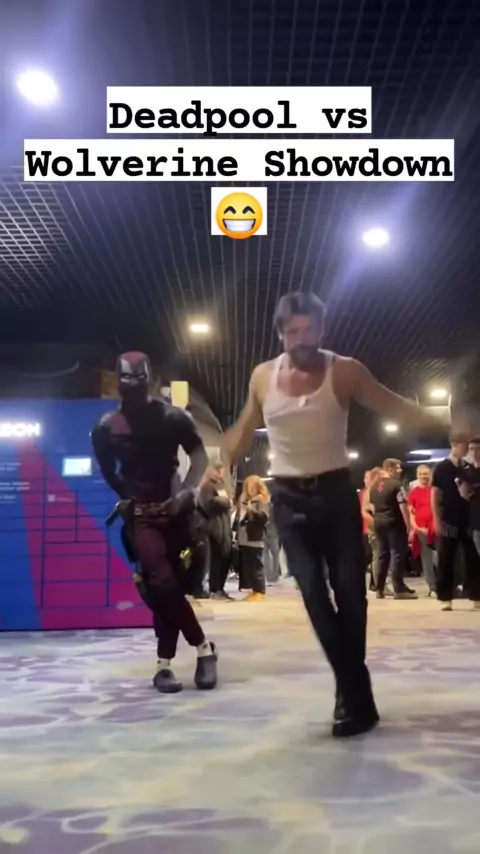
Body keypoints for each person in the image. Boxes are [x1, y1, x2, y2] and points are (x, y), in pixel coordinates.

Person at [221, 291, 448, 738]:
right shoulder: (263, 376)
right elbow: (245, 427)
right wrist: (220, 458)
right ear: (281, 334)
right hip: (289, 498)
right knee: (311, 590)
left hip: (336, 493)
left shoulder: (344, 370)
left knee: (351, 593)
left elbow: (396, 406)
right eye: (293, 331)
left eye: (310, 329)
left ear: (322, 330)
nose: (302, 339)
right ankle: (355, 688)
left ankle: (349, 695)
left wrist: (451, 425)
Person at [91, 351, 218, 694]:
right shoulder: (106, 428)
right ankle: (203, 648)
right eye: (126, 378)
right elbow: (109, 471)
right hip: (142, 516)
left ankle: (164, 665)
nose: (133, 384)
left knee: (172, 587)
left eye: (140, 377)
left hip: (176, 510)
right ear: (117, 381)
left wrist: (188, 490)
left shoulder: (173, 417)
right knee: (161, 583)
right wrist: (127, 497)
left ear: (150, 379)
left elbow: (198, 453)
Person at [432, 434, 480, 611]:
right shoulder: (442, 467)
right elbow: (435, 494)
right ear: (454, 445)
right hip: (448, 518)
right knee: (446, 558)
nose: (466, 450)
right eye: (464, 446)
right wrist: (436, 519)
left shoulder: (467, 467)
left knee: (473, 558)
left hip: (467, 518)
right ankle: (445, 597)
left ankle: (476, 595)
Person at [369, 459, 417, 600]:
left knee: (383, 554)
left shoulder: (374, 486)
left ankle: (379, 588)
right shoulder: (396, 485)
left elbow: (372, 507)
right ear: (390, 469)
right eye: (398, 468)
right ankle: (399, 589)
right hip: (394, 522)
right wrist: (408, 525)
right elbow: (403, 506)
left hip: (379, 522)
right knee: (397, 554)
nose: (400, 471)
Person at [198, 463, 234, 601]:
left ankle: (219, 588)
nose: (219, 473)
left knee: (224, 558)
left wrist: (226, 502)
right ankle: (214, 589)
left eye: (221, 470)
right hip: (214, 528)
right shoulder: (207, 486)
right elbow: (208, 504)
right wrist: (226, 502)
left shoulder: (221, 486)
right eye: (217, 470)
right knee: (216, 560)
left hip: (224, 527)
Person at [236, 475, 270, 600]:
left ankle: (260, 591)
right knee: (249, 565)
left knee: (256, 565)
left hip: (255, 537)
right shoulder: (245, 500)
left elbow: (263, 518)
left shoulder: (260, 500)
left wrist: (252, 510)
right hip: (244, 538)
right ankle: (254, 590)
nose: (250, 490)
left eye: (253, 487)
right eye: (248, 487)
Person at [408, 464, 436, 596]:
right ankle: (433, 587)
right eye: (421, 474)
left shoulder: (435, 490)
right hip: (422, 530)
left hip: (437, 528)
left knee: (439, 558)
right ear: (417, 475)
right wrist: (416, 528)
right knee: (427, 559)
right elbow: (411, 513)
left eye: (426, 474)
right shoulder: (414, 493)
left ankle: (444, 584)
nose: (424, 476)